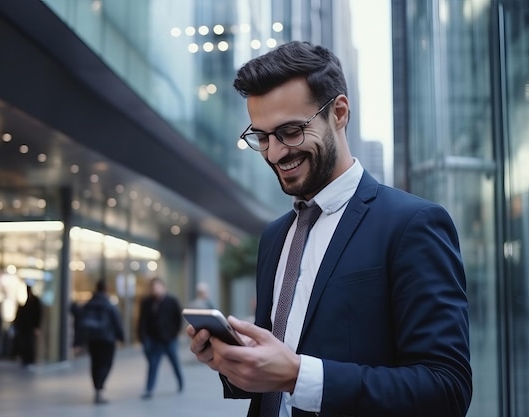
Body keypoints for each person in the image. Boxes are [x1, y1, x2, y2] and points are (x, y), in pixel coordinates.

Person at [187, 41, 472, 417]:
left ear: (338, 112)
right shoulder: (274, 236)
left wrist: (297, 376)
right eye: (262, 137)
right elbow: (271, 372)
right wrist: (233, 363)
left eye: (290, 131)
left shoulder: (412, 224)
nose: (274, 153)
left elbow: (446, 389)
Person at [137, 276, 184, 399]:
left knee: (174, 362)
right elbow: (142, 321)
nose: (155, 289)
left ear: (163, 287)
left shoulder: (172, 301)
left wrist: (174, 333)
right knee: (153, 364)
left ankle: (180, 382)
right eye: (153, 287)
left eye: (157, 286)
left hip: (169, 339)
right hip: (155, 339)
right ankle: (149, 389)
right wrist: (143, 337)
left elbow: (178, 319)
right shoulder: (147, 302)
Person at [80, 279, 125, 404]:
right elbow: (117, 321)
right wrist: (121, 337)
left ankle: (97, 388)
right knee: (106, 364)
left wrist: (79, 340)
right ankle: (100, 387)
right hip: (107, 339)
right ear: (106, 289)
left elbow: (81, 320)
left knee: (95, 363)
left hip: (93, 339)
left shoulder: (90, 303)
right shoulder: (108, 303)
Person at [13, 283, 42, 367]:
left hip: (29, 326)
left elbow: (37, 314)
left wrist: (36, 326)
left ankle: (29, 359)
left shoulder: (33, 301)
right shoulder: (27, 301)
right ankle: (26, 358)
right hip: (25, 327)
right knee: (25, 342)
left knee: (29, 343)